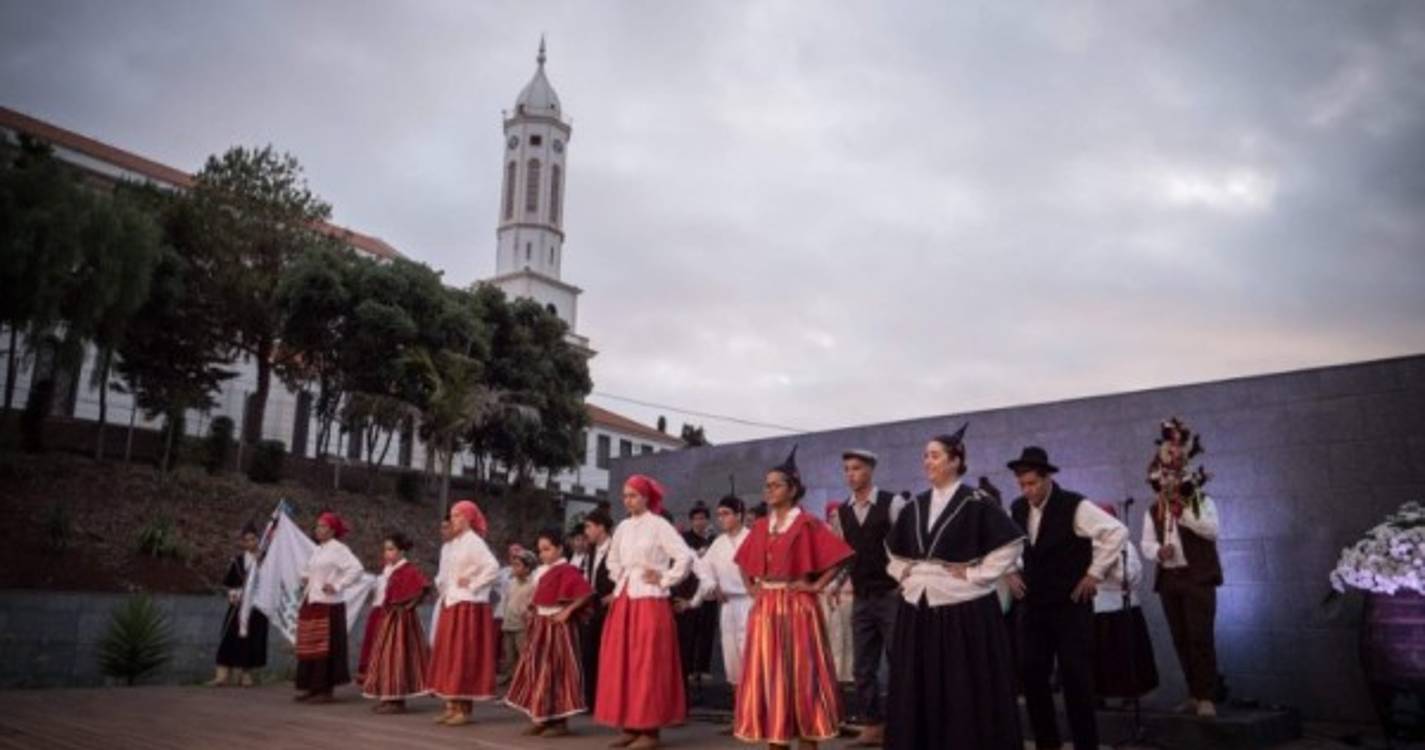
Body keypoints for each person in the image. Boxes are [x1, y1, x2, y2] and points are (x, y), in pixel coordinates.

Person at [885, 425, 1025, 750]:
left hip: (963, 611)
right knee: (918, 683)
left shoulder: (976, 501)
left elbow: (1012, 543)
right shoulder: (916, 505)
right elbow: (892, 551)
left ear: (955, 460)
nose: (927, 462)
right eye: (925, 456)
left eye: (934, 456)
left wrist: (978, 575)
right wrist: (903, 573)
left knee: (960, 685)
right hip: (918, 608)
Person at [1006, 446, 1128, 750]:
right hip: (1033, 608)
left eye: (1032, 483)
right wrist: (1008, 571)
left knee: (1076, 678)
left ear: (1047, 478)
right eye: (1022, 484)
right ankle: (1048, 743)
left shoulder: (1075, 505)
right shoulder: (1017, 508)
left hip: (1070, 607)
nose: (1027, 490)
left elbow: (1116, 531)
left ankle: (1086, 744)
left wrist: (1094, 573)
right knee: (1032, 674)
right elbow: (1006, 544)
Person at [734, 446, 855, 748]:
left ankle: (808, 738)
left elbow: (841, 556)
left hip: (799, 607)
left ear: (793, 488)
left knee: (802, 674)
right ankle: (776, 738)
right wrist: (751, 588)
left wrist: (817, 586)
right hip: (766, 608)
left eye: (776, 485)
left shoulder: (808, 523)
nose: (769, 490)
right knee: (769, 674)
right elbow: (743, 560)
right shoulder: (761, 525)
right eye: (767, 485)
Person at [594, 474, 695, 750]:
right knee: (623, 662)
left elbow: (684, 556)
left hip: (650, 600)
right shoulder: (623, 527)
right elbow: (612, 560)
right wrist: (622, 577)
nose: (628, 500)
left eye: (634, 495)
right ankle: (630, 725)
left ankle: (649, 730)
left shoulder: (659, 525)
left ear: (647, 498)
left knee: (646, 662)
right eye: (625, 495)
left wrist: (664, 577)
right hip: (626, 597)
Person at [1139, 417, 1223, 718]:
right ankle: (1193, 692)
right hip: (1169, 580)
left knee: (1200, 636)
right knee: (1181, 638)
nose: (1167, 482)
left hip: (1198, 578)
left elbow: (1212, 530)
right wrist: (1159, 552)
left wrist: (1183, 513)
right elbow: (1146, 544)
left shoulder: (1200, 500)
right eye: (1163, 477)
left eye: (1171, 476)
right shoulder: (1153, 510)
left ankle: (1207, 697)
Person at [829, 449, 907, 746]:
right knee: (863, 667)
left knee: (899, 661)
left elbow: (907, 543)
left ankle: (903, 722)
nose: (851, 474)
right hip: (861, 596)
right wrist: (837, 583)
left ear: (871, 470)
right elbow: (845, 555)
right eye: (847, 469)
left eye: (857, 468)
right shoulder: (842, 512)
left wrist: (905, 582)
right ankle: (873, 724)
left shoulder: (892, 503)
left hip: (890, 595)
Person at [505, 528, 596, 737]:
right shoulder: (542, 571)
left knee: (557, 673)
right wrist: (533, 612)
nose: (543, 554)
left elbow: (585, 594)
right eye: (540, 550)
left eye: (547, 549)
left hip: (558, 628)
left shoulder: (568, 570)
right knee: (538, 672)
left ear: (560, 549)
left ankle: (560, 722)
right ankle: (542, 717)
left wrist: (567, 612)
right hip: (541, 626)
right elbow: (539, 597)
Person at [427, 500, 500, 726]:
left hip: (469, 606)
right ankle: (452, 705)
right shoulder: (455, 543)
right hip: (453, 603)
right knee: (450, 655)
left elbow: (493, 568)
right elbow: (447, 573)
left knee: (463, 655)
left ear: (468, 518)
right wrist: (445, 589)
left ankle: (464, 709)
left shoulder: (474, 542)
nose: (453, 520)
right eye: (452, 515)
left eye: (457, 516)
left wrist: (473, 583)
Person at [1091, 503, 1159, 705]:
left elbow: (1132, 579)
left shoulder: (1126, 546)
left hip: (1122, 610)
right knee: (1099, 658)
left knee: (1125, 657)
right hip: (1095, 611)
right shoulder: (1083, 547)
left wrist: (1108, 567)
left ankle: (1129, 696)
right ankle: (1097, 696)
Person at [295, 511, 364, 704]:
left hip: (328, 604)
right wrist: (306, 578)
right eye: (317, 526)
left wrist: (337, 585)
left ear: (333, 531)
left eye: (323, 526)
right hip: (312, 601)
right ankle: (311, 686)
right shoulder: (318, 549)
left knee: (325, 647)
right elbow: (310, 570)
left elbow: (356, 568)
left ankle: (325, 690)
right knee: (311, 645)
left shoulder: (338, 549)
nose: (318, 529)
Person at [359, 531, 432, 713]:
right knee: (385, 658)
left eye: (391, 549)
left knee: (397, 658)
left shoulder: (407, 569)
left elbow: (424, 587)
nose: (387, 553)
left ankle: (397, 699)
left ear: (401, 551)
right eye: (385, 550)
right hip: (388, 616)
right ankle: (388, 696)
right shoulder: (389, 570)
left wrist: (410, 606)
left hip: (401, 620)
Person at [208, 521, 267, 688]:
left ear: (258, 539)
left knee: (250, 640)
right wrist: (232, 594)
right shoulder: (237, 561)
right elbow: (230, 583)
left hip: (256, 607)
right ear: (242, 542)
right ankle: (222, 675)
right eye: (246, 540)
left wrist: (260, 562)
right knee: (229, 637)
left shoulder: (265, 559)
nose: (250, 543)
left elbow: (270, 582)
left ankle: (245, 675)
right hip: (237, 606)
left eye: (253, 539)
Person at [703, 493, 752, 691]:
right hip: (727, 604)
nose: (721, 518)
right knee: (731, 655)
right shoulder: (718, 543)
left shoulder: (751, 538)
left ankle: (755, 707)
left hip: (749, 601)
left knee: (750, 650)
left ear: (739, 515)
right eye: (719, 514)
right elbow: (704, 570)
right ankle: (739, 708)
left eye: (726, 513)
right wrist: (714, 586)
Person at [674, 501, 719, 699]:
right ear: (691, 520)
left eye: (703, 518)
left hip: (709, 593)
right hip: (689, 591)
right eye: (696, 519)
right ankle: (689, 670)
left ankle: (703, 667)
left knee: (707, 629)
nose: (700, 522)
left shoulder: (713, 539)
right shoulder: (684, 539)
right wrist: (697, 556)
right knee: (689, 632)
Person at [579, 509, 616, 712]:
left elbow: (626, 572)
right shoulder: (592, 549)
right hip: (593, 606)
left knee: (607, 655)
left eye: (589, 526)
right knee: (589, 653)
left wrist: (616, 594)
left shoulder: (616, 547)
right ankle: (590, 699)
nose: (586, 531)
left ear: (601, 527)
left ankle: (606, 700)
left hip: (611, 606)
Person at [820, 502, 855, 687]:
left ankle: (848, 673)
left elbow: (850, 564)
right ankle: (832, 673)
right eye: (832, 516)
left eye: (838, 516)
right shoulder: (824, 540)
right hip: (827, 593)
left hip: (848, 593)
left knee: (848, 636)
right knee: (832, 635)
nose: (836, 520)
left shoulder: (850, 538)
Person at [499, 550, 538, 686]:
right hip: (508, 624)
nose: (514, 568)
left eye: (518, 565)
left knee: (523, 657)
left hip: (522, 626)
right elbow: (507, 601)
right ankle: (513, 687)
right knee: (510, 658)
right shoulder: (512, 582)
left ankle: (526, 687)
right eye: (513, 565)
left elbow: (533, 605)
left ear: (527, 568)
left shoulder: (533, 584)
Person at [429, 519, 455, 647]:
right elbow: (442, 573)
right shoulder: (445, 548)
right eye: (442, 528)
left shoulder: (461, 547)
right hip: (443, 595)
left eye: (446, 528)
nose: (442, 531)